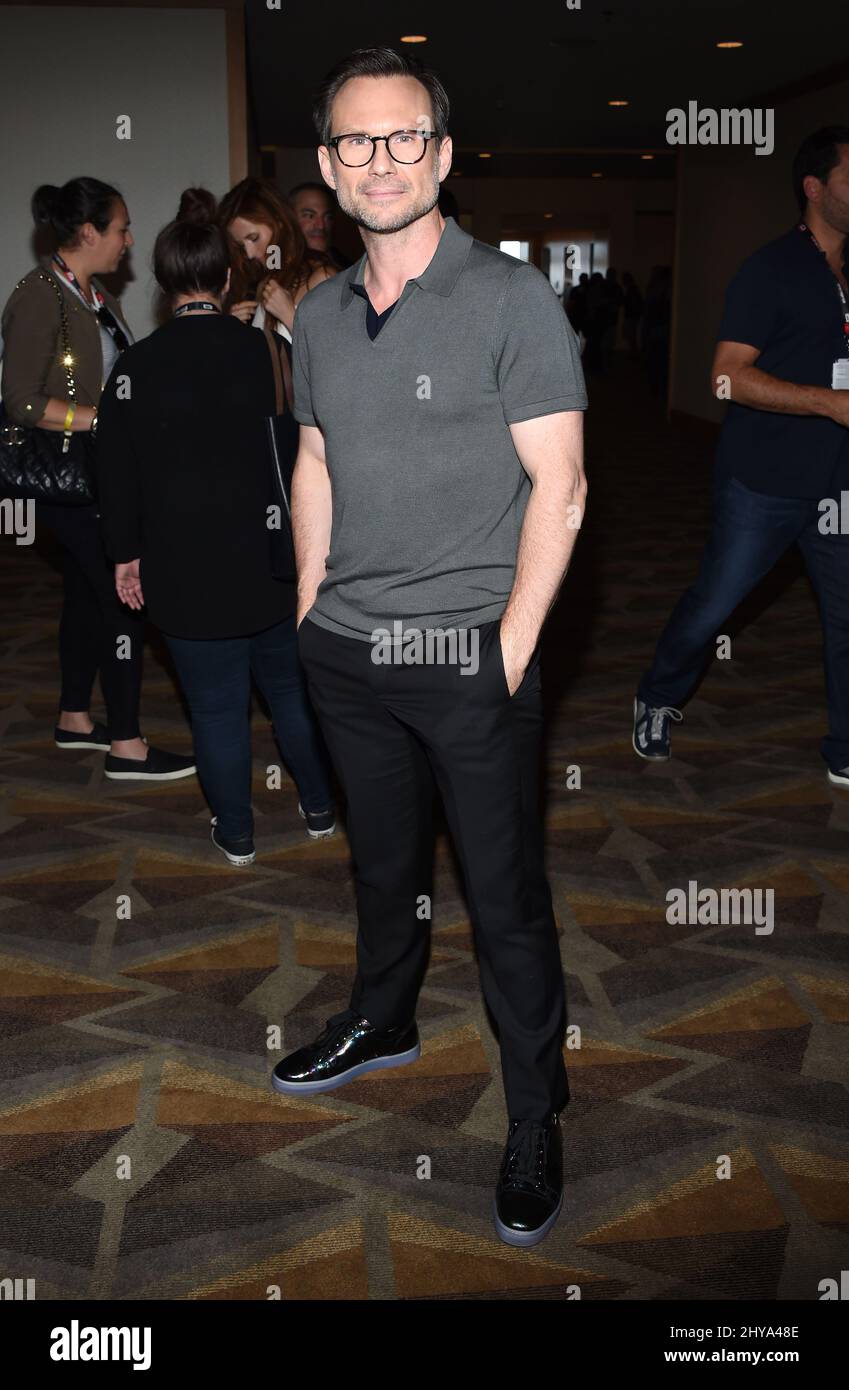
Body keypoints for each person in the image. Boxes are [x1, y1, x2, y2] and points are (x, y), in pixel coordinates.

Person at [270, 46, 588, 1250]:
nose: (382, 160)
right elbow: (314, 459)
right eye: (358, 142)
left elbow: (561, 487)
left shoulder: (511, 298)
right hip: (345, 652)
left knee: (504, 900)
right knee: (383, 864)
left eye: (406, 138)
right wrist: (309, 602)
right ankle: (385, 1017)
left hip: (467, 657)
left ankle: (532, 1107)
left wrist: (507, 648)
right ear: (331, 170)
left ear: (443, 157)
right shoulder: (323, 314)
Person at [95, 190, 337, 862]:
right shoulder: (263, 354)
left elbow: (115, 474)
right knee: (290, 694)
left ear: (163, 285)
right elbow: (300, 452)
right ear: (227, 278)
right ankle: (320, 808)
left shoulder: (135, 368)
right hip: (268, 561)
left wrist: (125, 556)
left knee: (216, 710)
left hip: (182, 569)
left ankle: (236, 834)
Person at [634, 127, 849, 786]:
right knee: (714, 604)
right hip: (763, 481)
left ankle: (843, 745)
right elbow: (725, 377)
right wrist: (827, 403)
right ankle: (658, 696)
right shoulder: (771, 268)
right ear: (814, 188)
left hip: (838, 482)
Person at [0, 177, 195, 782]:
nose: (129, 240)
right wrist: (103, 418)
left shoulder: (89, 293)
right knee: (121, 600)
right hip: (69, 479)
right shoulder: (40, 296)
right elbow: (20, 402)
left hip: (93, 473)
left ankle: (76, 717)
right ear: (88, 233)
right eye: (121, 228)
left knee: (87, 596)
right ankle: (128, 745)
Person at [220, 178, 336, 340]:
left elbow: (336, 359)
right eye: (241, 245)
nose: (249, 253)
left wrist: (289, 316)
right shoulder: (260, 283)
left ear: (279, 223)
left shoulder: (322, 278)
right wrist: (231, 330)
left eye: (254, 238)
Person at [288, 181, 352, 270]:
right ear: (289, 217)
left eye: (328, 217)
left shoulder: (347, 271)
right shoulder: (274, 259)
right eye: (310, 216)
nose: (321, 226)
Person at [621, 270, 643, 358]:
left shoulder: (631, 290)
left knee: (631, 337)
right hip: (633, 316)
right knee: (631, 336)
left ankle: (634, 355)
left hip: (631, 316)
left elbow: (632, 303)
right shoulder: (633, 289)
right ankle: (634, 354)